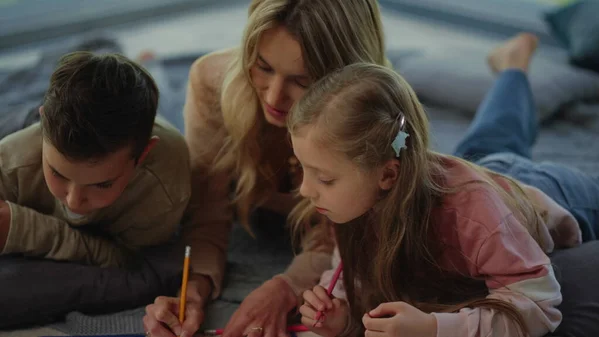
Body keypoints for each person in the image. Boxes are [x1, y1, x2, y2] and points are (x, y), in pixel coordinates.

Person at [291, 39, 599, 337]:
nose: (305, 190)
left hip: (547, 196)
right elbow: (354, 277)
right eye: (302, 168)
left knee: (502, 147)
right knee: (495, 134)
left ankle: (513, 67)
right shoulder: (356, 199)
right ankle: (512, 65)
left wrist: (434, 328)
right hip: (469, 171)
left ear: (387, 175)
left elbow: (540, 305)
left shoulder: (475, 220)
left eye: (325, 178)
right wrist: (342, 318)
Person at [142, 1, 391, 337]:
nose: (274, 97)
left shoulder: (370, 119)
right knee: (160, 104)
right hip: (226, 134)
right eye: (263, 66)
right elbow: (206, 211)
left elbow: (338, 241)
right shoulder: (213, 82)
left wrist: (286, 289)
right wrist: (194, 290)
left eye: (302, 81)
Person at [0, 51, 191, 268]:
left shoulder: (164, 186)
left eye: (102, 184)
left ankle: (145, 62)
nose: (73, 200)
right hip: (24, 123)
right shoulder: (10, 161)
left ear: (143, 155)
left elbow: (135, 267)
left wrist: (26, 230)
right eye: (58, 173)